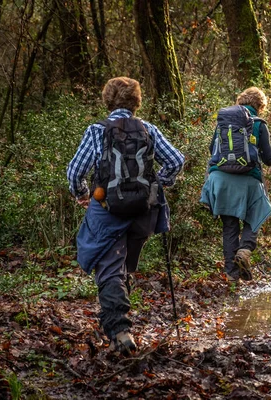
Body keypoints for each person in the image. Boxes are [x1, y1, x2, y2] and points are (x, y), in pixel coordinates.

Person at [67, 77, 185, 354]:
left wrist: (83, 194)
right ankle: (119, 325)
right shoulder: (149, 129)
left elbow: (74, 172)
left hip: (107, 210)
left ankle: (120, 332)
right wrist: (159, 184)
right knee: (123, 269)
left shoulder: (97, 131)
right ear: (136, 102)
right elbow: (176, 160)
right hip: (142, 213)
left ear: (108, 100)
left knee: (110, 270)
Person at [200, 87, 271, 282]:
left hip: (220, 179)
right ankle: (245, 249)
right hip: (248, 179)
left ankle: (232, 276)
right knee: (256, 214)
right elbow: (269, 159)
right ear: (260, 106)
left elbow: (211, 148)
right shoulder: (258, 124)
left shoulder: (224, 123)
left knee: (230, 226)